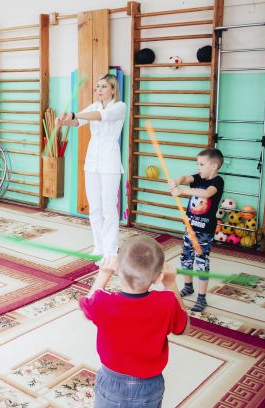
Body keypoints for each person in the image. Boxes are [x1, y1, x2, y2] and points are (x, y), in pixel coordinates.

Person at [79, 236, 190, 407]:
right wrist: (171, 284)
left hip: (111, 382)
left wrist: (104, 274)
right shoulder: (167, 302)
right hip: (149, 386)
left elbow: (86, 305)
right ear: (158, 278)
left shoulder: (102, 301)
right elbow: (184, 328)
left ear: (118, 270)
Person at [56, 73, 126, 263]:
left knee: (109, 208)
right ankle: (99, 247)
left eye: (103, 86)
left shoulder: (119, 107)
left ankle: (111, 252)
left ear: (113, 89)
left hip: (110, 163)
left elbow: (100, 117)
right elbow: (77, 122)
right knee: (94, 208)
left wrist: (74, 114)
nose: (99, 90)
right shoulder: (94, 106)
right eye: (97, 86)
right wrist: (64, 121)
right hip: (92, 162)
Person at [168, 148, 224, 313]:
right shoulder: (198, 177)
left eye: (201, 164)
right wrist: (176, 181)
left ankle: (201, 297)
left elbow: (206, 193)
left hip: (205, 231)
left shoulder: (218, 182)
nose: (198, 167)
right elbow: (185, 178)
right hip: (190, 227)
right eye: (198, 164)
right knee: (186, 258)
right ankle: (188, 286)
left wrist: (182, 191)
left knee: (201, 263)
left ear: (213, 166)